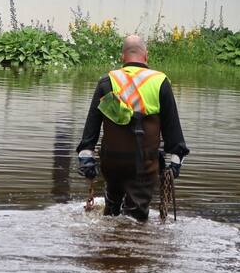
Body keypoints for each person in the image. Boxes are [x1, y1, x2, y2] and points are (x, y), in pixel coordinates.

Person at [76, 35, 189, 222]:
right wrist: (174, 165)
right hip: (144, 165)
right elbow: (173, 133)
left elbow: (90, 131)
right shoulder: (160, 82)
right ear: (146, 56)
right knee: (135, 220)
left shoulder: (107, 81)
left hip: (111, 164)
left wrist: (86, 161)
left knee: (111, 213)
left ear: (123, 57)